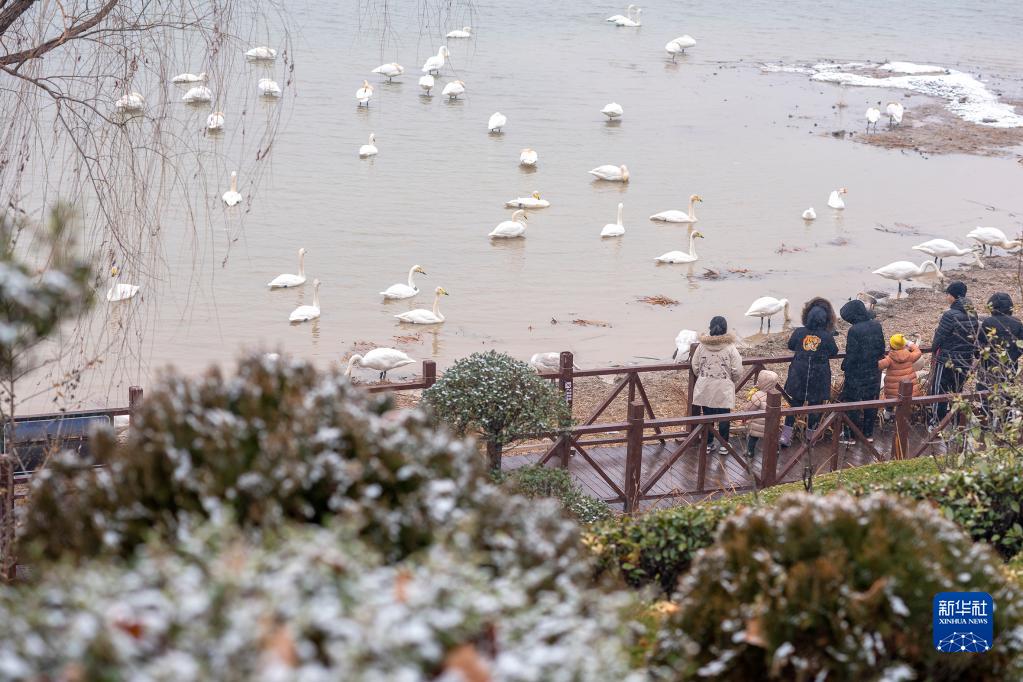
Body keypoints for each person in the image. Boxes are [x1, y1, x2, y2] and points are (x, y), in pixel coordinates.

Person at [781, 300, 839, 446]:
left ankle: (786, 436)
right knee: (815, 406)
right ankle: (810, 438)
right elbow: (833, 351)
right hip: (818, 375)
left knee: (795, 404)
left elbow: (791, 345)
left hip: (799, 373)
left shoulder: (799, 332)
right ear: (825, 319)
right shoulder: (826, 336)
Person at [690, 316, 743, 454]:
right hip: (723, 386)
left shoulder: (702, 346)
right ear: (725, 329)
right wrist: (731, 380)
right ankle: (724, 445)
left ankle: (708, 443)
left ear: (710, 328)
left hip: (705, 386)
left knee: (707, 416)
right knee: (724, 416)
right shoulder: (730, 347)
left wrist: (702, 375)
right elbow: (737, 369)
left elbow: (695, 366)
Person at [930, 281, 980, 423]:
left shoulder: (949, 315)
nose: (946, 297)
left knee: (938, 392)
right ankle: (956, 422)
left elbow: (940, 336)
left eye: (948, 294)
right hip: (964, 361)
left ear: (954, 296)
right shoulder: (972, 313)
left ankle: (936, 423)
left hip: (946, 360)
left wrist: (934, 350)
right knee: (956, 392)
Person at [839, 299, 886, 443]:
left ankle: (850, 435)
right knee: (871, 401)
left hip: (856, 372)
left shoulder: (854, 330)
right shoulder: (876, 325)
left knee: (852, 402)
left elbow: (852, 353)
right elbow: (881, 348)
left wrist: (845, 365)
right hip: (873, 370)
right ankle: (868, 433)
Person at [977, 292, 1023, 418]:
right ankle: (1006, 422)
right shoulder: (1017, 323)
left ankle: (988, 422)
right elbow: (1021, 345)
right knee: (1007, 394)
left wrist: (980, 356)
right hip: (1010, 366)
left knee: (986, 394)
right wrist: (1013, 356)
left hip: (988, 365)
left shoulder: (988, 322)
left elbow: (980, 343)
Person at [746, 370, 780, 458]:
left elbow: (750, 408)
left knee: (753, 438)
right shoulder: (776, 395)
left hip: (758, 424)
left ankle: (750, 452)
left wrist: (746, 412)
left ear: (763, 383)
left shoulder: (758, 395)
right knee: (772, 439)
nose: (757, 383)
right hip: (771, 424)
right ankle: (776, 451)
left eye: (759, 381)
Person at [878, 333, 923, 398]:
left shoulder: (889, 359)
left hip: (893, 396)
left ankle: (889, 408)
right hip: (911, 393)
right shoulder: (910, 356)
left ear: (890, 346)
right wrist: (909, 343)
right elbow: (918, 352)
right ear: (904, 345)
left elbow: (877, 366)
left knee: (889, 403)